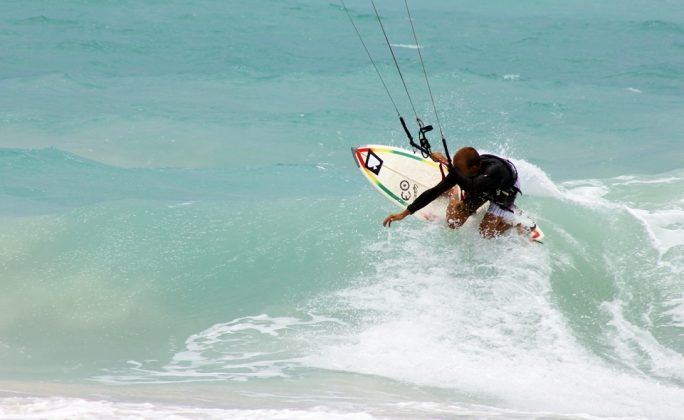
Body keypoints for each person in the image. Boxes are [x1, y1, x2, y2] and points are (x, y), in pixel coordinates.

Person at [382, 146, 523, 238]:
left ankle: (515, 222)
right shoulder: (465, 171)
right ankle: (453, 192)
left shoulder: (493, 171)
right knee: (453, 222)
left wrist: (452, 169)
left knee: (486, 233)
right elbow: (434, 192)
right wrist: (405, 213)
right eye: (457, 169)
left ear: (474, 169)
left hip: (503, 190)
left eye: (460, 171)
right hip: (477, 185)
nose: (458, 173)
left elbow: (473, 186)